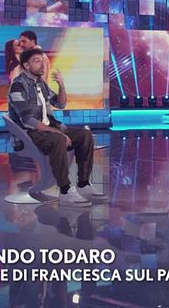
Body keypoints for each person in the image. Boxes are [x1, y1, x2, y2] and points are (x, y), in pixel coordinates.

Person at [7, 48, 103, 206]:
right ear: (26, 65)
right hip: (30, 133)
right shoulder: (18, 86)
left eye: (42, 60)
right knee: (58, 139)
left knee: (84, 135)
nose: (42, 65)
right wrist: (56, 132)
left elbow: (60, 103)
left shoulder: (41, 84)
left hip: (49, 129)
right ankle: (65, 190)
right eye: (36, 61)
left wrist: (62, 86)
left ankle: (83, 183)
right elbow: (28, 120)